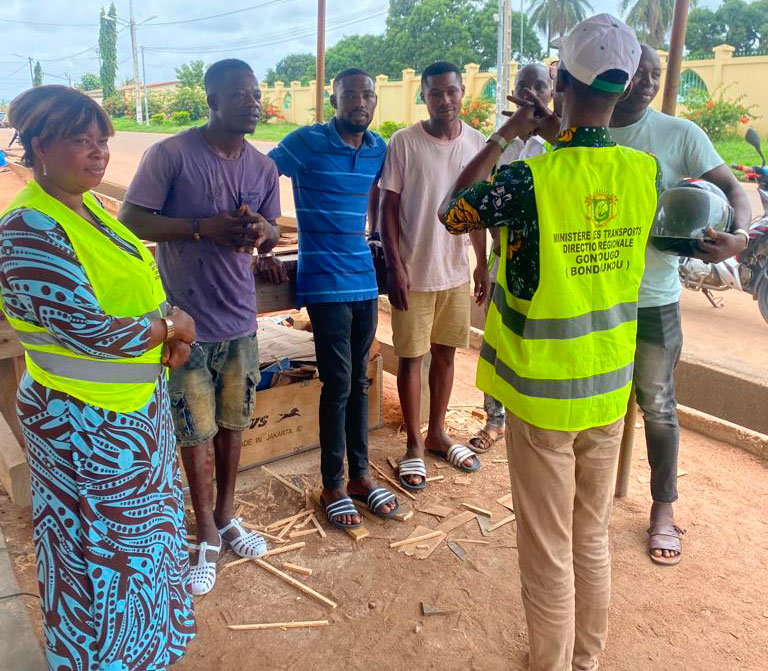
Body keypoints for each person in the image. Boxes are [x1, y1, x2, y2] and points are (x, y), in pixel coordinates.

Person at [440, 15, 661, 670]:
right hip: (608, 385)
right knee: (590, 535)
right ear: (621, 94)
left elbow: (456, 209)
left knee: (548, 546)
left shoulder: (529, 178)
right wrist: (556, 130)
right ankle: (585, 660)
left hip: (542, 395)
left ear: (561, 81)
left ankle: (551, 663)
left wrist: (513, 131)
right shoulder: (642, 171)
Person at [0, 85, 196, 670]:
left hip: (131, 416)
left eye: (102, 140)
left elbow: (139, 292)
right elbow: (91, 330)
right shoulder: (28, 228)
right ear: (39, 147)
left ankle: (146, 654)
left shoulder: (91, 212)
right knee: (98, 556)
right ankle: (103, 661)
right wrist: (170, 327)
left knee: (143, 546)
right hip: (82, 423)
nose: (98, 152)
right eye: (80, 141)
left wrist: (170, 332)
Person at [120, 59, 282, 596]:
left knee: (235, 423)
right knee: (195, 432)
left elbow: (269, 232)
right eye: (240, 94)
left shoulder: (261, 168)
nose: (253, 102)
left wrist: (259, 231)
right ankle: (205, 531)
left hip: (240, 320)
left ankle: (228, 514)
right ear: (211, 99)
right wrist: (200, 228)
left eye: (256, 94)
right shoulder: (170, 154)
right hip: (185, 326)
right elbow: (132, 220)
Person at [609, 45, 751, 566]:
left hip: (653, 298)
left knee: (660, 407)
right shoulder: (587, 132)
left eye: (655, 74)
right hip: (596, 299)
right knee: (593, 404)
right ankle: (586, 495)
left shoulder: (679, 135)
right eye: (637, 73)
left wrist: (738, 237)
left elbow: (735, 189)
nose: (647, 82)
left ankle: (663, 509)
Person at [269, 68, 400, 528]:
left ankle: (362, 477)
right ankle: (333, 484)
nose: (360, 102)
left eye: (367, 95)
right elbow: (263, 174)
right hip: (324, 280)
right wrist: (265, 234)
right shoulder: (305, 142)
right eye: (350, 95)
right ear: (334, 99)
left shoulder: (377, 148)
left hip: (364, 279)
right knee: (338, 382)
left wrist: (377, 234)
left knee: (361, 381)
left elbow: (386, 193)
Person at [379, 61, 488, 489]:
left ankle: (439, 433)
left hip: (455, 273)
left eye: (452, 91)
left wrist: (479, 261)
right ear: (423, 97)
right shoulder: (405, 143)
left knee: (446, 354)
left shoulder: (478, 144)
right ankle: (413, 447)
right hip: (415, 272)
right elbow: (388, 208)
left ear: (463, 93)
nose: (445, 100)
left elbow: (476, 210)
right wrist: (394, 265)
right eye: (435, 93)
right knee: (412, 358)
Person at [468, 62, 552, 455]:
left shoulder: (557, 146)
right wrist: (482, 263)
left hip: (546, 271)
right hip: (502, 264)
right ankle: (494, 421)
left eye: (540, 85)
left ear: (552, 93)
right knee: (496, 343)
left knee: (534, 343)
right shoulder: (499, 144)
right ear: (513, 93)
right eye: (524, 86)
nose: (532, 93)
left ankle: (527, 420)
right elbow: (475, 208)